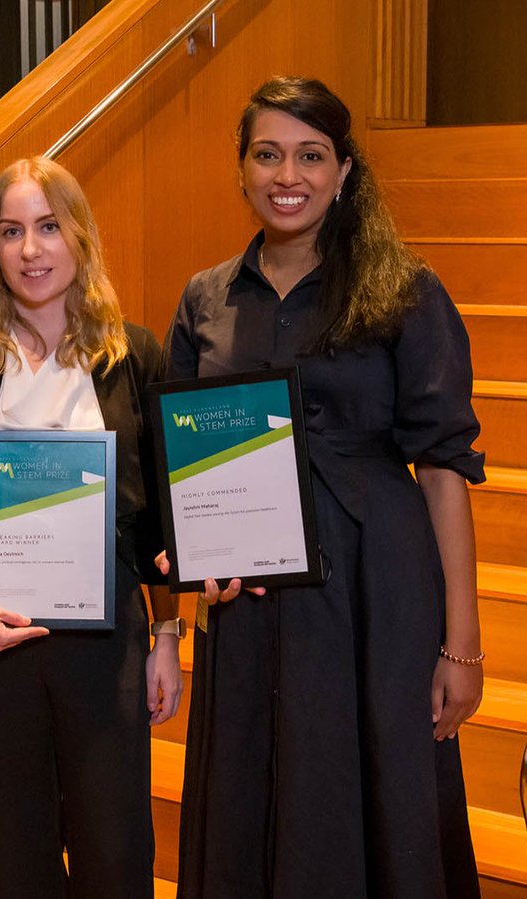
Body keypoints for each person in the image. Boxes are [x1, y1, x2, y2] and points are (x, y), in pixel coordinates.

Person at [164, 76, 484, 898]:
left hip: (375, 588)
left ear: (344, 171)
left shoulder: (405, 290)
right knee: (248, 785)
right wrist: (192, 558)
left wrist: (462, 643)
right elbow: (183, 463)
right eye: (268, 154)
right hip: (250, 599)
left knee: (373, 791)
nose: (288, 175)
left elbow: (445, 466)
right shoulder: (205, 299)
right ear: (241, 169)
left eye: (311, 155)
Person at [0, 156, 183, 897]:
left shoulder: (134, 355)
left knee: (115, 852)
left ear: (81, 237)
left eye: (47, 227)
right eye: (10, 232)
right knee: (15, 859)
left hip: (107, 648)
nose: (31, 250)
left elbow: (157, 517)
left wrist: (168, 637)